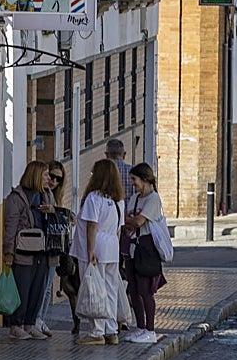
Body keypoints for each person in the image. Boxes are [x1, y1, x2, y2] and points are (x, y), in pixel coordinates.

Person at [71, 159, 125, 345]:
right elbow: (119, 229)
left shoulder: (94, 198)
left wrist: (90, 250)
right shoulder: (119, 202)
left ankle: (96, 331)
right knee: (110, 289)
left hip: (96, 246)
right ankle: (111, 330)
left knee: (95, 289)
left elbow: (92, 225)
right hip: (112, 247)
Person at [3, 160, 56, 340]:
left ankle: (30, 323)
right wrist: (8, 251)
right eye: (45, 174)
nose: (49, 178)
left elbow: (57, 217)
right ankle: (16, 325)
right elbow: (10, 226)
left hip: (43, 250)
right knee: (22, 288)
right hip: (23, 250)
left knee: (38, 289)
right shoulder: (16, 198)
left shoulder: (47, 195)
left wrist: (52, 211)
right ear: (35, 175)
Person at [121, 162, 167, 344]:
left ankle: (150, 329)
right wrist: (130, 221)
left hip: (146, 249)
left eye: (135, 179)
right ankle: (140, 327)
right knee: (133, 290)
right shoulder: (134, 199)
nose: (133, 183)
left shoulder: (153, 199)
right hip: (131, 246)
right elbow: (126, 220)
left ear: (145, 179)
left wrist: (130, 221)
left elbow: (139, 221)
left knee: (145, 290)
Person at [33, 160, 70, 338]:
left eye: (58, 179)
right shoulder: (41, 194)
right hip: (44, 245)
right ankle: (36, 318)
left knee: (48, 285)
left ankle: (41, 318)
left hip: (55, 245)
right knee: (42, 284)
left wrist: (56, 211)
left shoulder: (56, 198)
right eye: (51, 176)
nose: (53, 181)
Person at [106, 138, 135, 202]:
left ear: (107, 155)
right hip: (129, 210)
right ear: (124, 155)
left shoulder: (102, 173)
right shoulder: (134, 171)